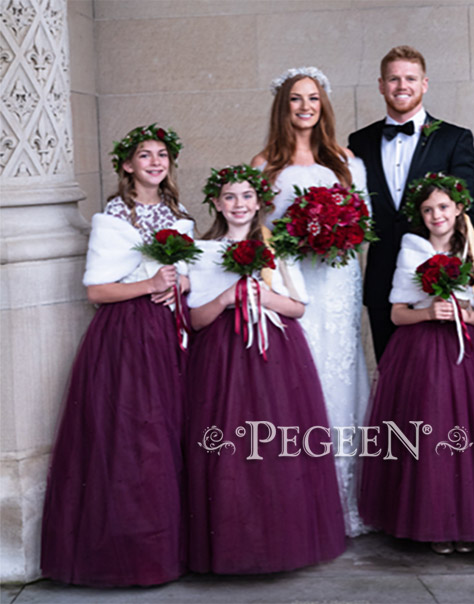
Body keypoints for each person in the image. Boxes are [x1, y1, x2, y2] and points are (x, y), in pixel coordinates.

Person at [40, 124, 193, 586]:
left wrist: (180, 283)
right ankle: (130, 553)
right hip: (125, 337)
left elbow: (188, 274)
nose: (154, 162)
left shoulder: (178, 213)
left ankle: (169, 549)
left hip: (168, 334)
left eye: (161, 154)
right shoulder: (114, 217)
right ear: (127, 166)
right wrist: (148, 285)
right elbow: (96, 290)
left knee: (168, 432)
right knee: (132, 436)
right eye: (144, 155)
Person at [186, 165, 346, 574]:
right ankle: (231, 543)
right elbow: (196, 319)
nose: (239, 205)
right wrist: (227, 297)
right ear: (217, 204)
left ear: (258, 203)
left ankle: (279, 539)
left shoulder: (278, 248)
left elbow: (298, 306)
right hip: (222, 357)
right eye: (229, 197)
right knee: (229, 446)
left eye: (246, 197)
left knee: (274, 442)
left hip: (274, 356)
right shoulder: (201, 251)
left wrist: (264, 296)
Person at [252, 66, 370, 536]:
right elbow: (255, 229)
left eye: (313, 99)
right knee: (302, 375)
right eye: (297, 99)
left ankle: (345, 499)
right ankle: (300, 496)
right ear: (284, 107)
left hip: (338, 281)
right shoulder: (265, 165)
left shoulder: (345, 161)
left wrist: (335, 232)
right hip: (293, 284)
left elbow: (364, 223)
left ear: (323, 106)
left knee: (341, 375)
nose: (305, 107)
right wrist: (297, 237)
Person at [359, 173, 474, 555]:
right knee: (432, 430)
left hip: (467, 350)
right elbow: (398, 314)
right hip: (423, 352)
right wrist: (430, 312)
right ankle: (434, 521)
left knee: (467, 433)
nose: (437, 215)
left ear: (459, 209)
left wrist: (467, 317)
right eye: (428, 209)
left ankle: (466, 522)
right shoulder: (411, 249)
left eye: (443, 207)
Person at [349, 45, 474, 361]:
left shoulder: (455, 138)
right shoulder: (359, 142)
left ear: (424, 84)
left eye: (410, 78)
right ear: (381, 85)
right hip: (382, 278)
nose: (401, 86)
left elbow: (472, 212)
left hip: (439, 281)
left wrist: (450, 271)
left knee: (442, 373)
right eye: (393, 79)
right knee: (390, 372)